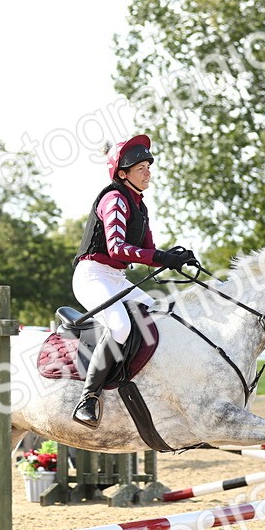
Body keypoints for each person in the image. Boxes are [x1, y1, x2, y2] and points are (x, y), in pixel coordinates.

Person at [69, 134, 199, 428]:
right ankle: (88, 399)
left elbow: (151, 251)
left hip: (116, 277)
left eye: (149, 167)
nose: (148, 173)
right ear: (123, 173)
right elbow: (117, 248)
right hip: (92, 274)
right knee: (121, 325)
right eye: (141, 168)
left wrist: (175, 259)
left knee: (159, 316)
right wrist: (163, 258)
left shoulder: (140, 206)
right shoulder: (114, 199)